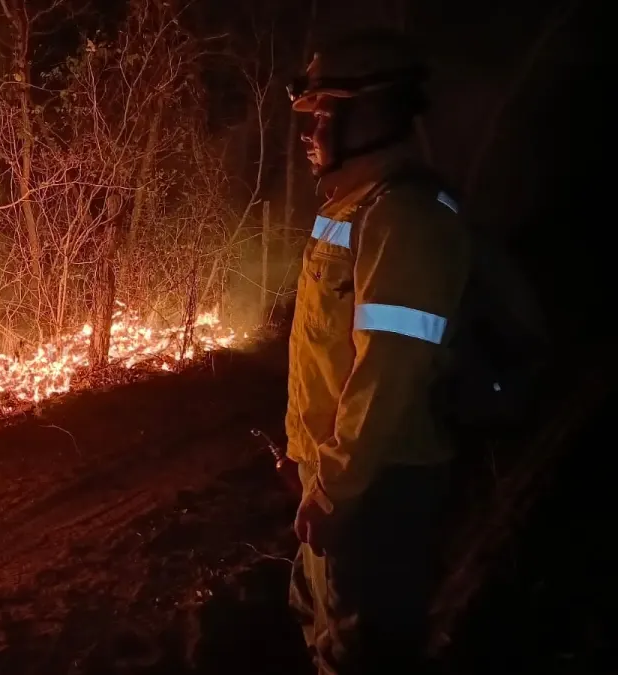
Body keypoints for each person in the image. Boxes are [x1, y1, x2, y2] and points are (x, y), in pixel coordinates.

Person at [283, 28, 470, 675]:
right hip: (346, 474)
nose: (308, 133)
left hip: (376, 485)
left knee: (360, 651)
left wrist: (334, 489)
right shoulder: (356, 206)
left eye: (322, 115)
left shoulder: (404, 218)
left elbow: (388, 372)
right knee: (327, 629)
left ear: (371, 114)